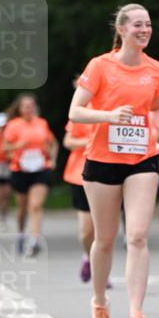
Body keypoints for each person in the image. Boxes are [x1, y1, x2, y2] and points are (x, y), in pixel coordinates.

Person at [68, 3, 159, 318]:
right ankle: (100, 303)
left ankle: (135, 315)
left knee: (138, 236)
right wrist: (109, 116)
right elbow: (76, 112)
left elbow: (155, 111)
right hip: (101, 159)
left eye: (148, 24)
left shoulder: (157, 69)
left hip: (142, 158)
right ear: (122, 29)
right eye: (138, 25)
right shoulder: (100, 66)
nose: (145, 30)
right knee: (105, 239)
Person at [3, 94, 57, 257]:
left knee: (36, 205)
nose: (29, 108)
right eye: (25, 106)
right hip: (20, 170)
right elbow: (4, 148)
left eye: (31, 105)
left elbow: (53, 143)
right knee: (22, 208)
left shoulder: (41, 123)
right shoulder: (13, 125)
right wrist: (18, 145)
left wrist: (52, 159)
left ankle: (35, 240)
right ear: (20, 109)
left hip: (41, 169)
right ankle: (21, 234)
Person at [63, 82, 95, 283]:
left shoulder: (111, 106)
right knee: (86, 231)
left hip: (106, 171)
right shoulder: (79, 111)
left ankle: (101, 269)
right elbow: (68, 142)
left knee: (103, 231)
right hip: (79, 174)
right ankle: (87, 257)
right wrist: (89, 142)